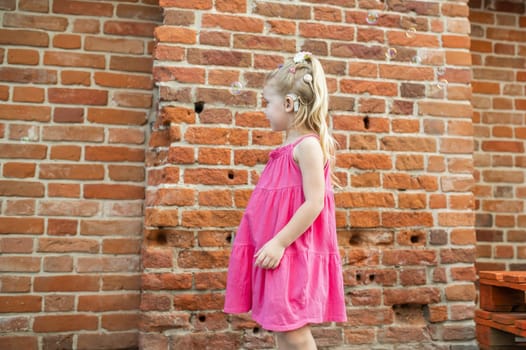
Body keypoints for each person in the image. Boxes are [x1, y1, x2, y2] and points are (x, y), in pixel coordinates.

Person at [223, 51, 347, 350]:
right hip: (277, 249)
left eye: (268, 102)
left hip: (292, 250)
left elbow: (315, 202)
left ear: (289, 104)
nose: (265, 110)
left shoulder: (307, 147)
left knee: (293, 330)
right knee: (280, 326)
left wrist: (280, 242)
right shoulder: (284, 148)